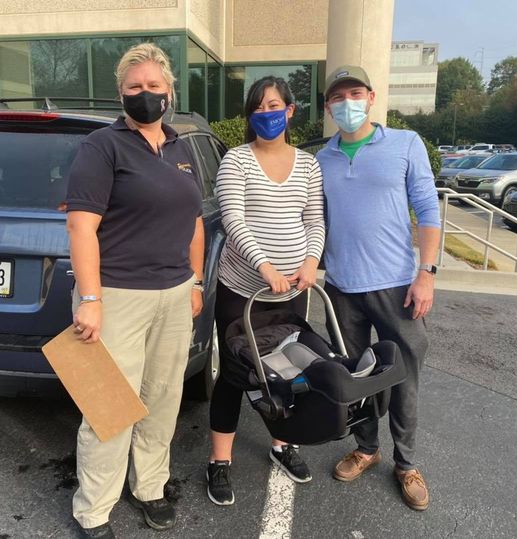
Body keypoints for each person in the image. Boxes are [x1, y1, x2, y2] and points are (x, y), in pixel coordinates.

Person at [65, 43, 204, 538]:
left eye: (154, 87)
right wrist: (91, 299)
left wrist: (196, 280)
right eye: (134, 88)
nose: (145, 95)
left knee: (163, 399)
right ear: (120, 94)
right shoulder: (102, 147)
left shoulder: (181, 146)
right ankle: (94, 509)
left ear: (170, 92)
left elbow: (193, 220)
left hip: (174, 293)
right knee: (109, 407)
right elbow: (81, 227)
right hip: (117, 296)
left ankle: (149, 486)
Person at [316, 65, 441, 511]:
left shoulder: (405, 144)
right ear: (328, 106)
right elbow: (316, 220)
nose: (346, 103)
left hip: (396, 289)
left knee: (404, 378)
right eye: (337, 97)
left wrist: (426, 271)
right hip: (341, 289)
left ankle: (406, 464)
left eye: (354, 93)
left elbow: (428, 209)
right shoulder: (322, 158)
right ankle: (366, 448)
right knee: (357, 378)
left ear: (370, 97)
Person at [206, 76, 326, 506]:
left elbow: (314, 220)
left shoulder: (308, 165)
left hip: (292, 291)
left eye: (274, 106)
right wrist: (265, 265)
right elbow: (232, 219)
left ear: (290, 111)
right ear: (250, 116)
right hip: (243, 290)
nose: (267, 114)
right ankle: (220, 460)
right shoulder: (236, 161)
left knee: (286, 371)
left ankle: (282, 444)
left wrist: (311, 260)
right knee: (238, 374)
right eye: (258, 108)